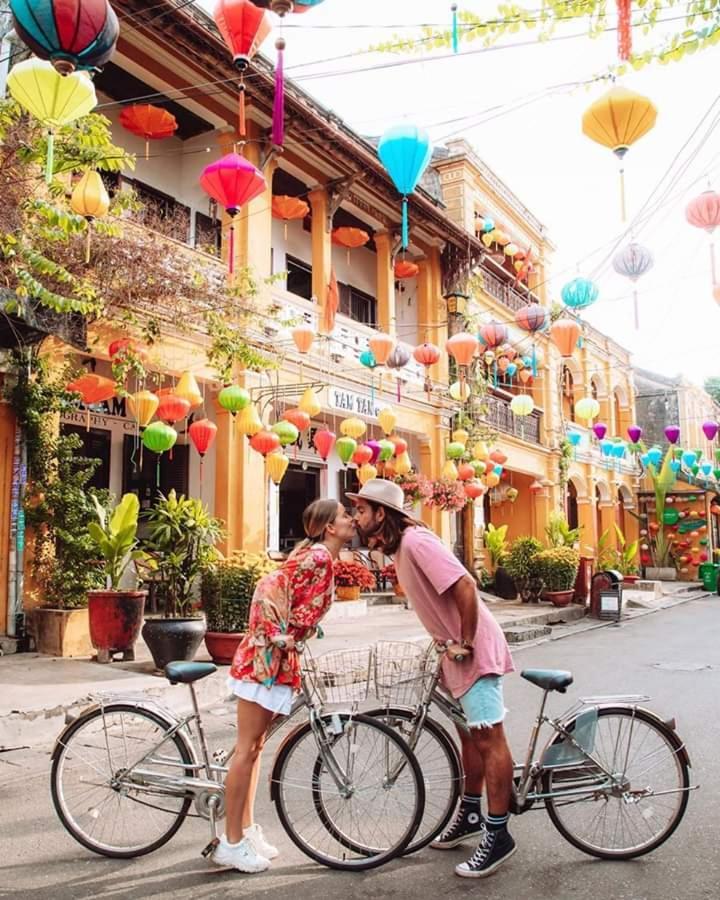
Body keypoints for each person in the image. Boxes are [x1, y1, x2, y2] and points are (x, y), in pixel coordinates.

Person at [348, 479, 516, 879]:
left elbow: (465, 584)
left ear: (380, 514)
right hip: (453, 656)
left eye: (361, 510)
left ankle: (499, 835)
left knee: (489, 739)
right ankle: (472, 814)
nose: (356, 518)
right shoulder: (400, 549)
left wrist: (466, 641)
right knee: (469, 738)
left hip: (473, 654)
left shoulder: (417, 543)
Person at [213, 499, 356, 873]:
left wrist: (293, 634)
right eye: (344, 516)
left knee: (255, 748)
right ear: (329, 527)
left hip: (273, 657)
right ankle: (230, 842)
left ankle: (245, 829)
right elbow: (279, 592)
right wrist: (284, 634)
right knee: (246, 750)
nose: (351, 520)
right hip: (265, 659)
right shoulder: (321, 558)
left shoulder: (317, 556)